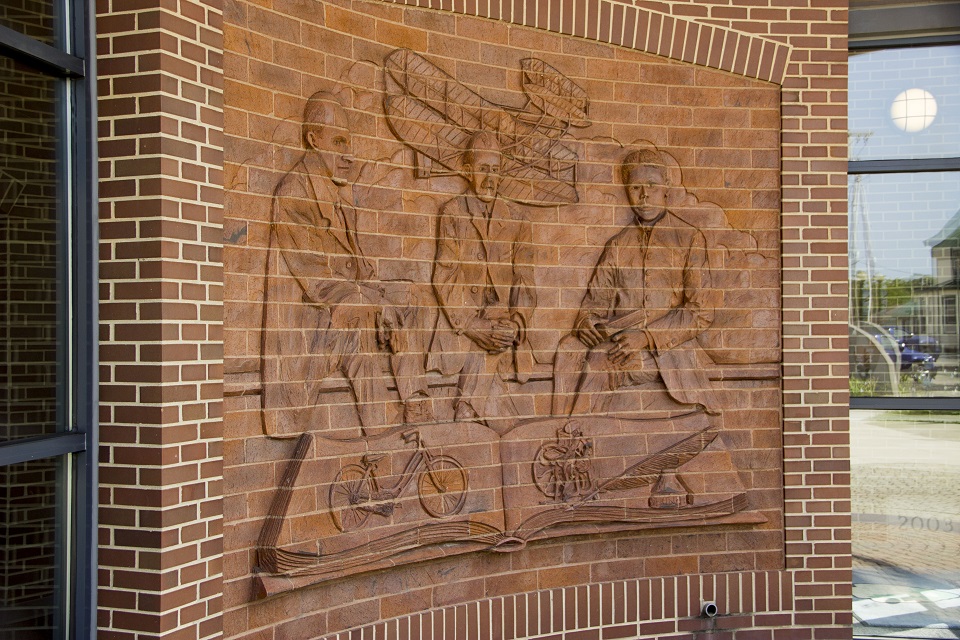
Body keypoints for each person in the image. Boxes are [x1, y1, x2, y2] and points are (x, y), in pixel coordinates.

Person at [261, 90, 432, 438]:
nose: (348, 154)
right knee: (359, 313)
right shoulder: (294, 192)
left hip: (341, 311)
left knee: (412, 298)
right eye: (339, 142)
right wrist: (376, 304)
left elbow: (359, 270)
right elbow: (319, 282)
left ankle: (416, 404)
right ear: (314, 139)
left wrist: (384, 299)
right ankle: (380, 431)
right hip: (311, 325)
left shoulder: (338, 194)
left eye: (349, 143)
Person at [552, 146, 720, 417]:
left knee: (600, 362)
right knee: (567, 349)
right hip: (620, 337)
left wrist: (646, 337)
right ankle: (558, 426)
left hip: (668, 348)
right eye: (635, 187)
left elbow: (700, 312)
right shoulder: (618, 244)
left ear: (666, 188)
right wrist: (587, 323)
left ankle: (577, 433)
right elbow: (594, 302)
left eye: (651, 186)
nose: (644, 195)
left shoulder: (690, 238)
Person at [430, 131, 537, 430]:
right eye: (483, 169)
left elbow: (525, 279)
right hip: (465, 324)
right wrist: (472, 324)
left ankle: (467, 408)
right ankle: (490, 422)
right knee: (489, 341)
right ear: (468, 170)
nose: (490, 178)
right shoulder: (453, 212)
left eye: (495, 170)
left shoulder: (518, 219)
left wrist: (518, 322)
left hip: (503, 328)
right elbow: (446, 275)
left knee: (498, 332)